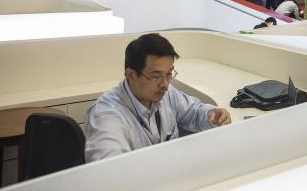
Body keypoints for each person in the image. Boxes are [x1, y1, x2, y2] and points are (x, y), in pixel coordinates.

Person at [84, 33, 231, 162]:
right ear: (130, 74)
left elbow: (193, 111)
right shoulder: (106, 115)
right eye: (155, 76)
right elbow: (108, 171)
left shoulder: (166, 93)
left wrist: (212, 114)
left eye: (169, 74)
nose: (165, 84)